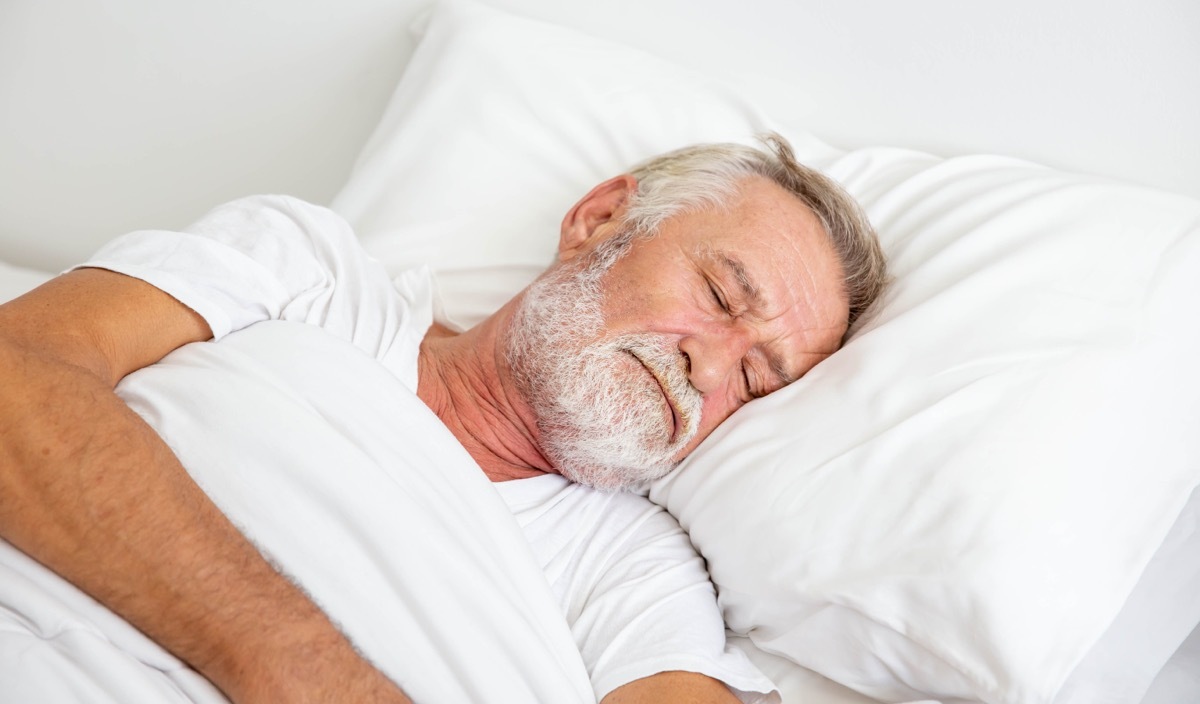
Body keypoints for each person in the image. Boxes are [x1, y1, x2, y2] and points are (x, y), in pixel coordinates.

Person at [0, 134, 887, 703]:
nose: (709, 365)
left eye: (757, 380)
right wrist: (299, 668)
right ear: (600, 219)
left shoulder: (637, 573)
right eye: (721, 294)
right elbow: (16, 374)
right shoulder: (308, 275)